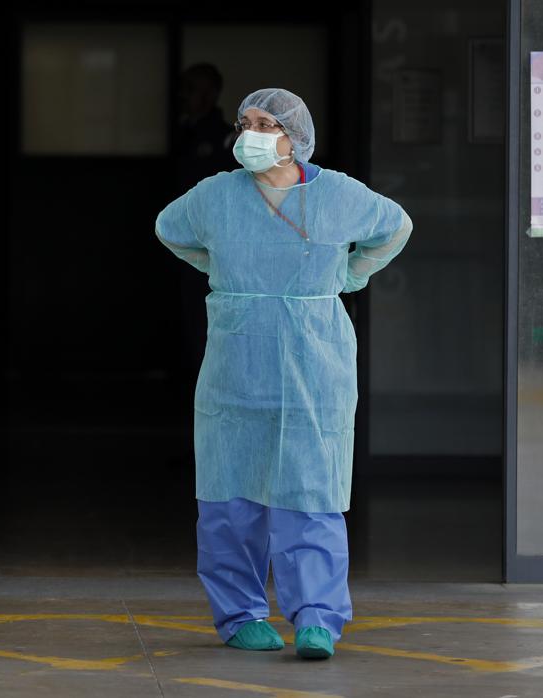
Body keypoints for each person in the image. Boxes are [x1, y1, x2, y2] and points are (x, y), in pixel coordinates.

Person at [155, 88, 411, 660]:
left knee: (310, 491)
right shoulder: (216, 196)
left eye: (266, 123)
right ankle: (240, 614)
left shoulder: (340, 194)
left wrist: (350, 274)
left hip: (314, 362)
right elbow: (169, 229)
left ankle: (317, 617)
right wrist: (224, 269)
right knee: (230, 496)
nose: (251, 133)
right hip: (236, 362)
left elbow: (394, 227)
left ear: (294, 137)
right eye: (246, 122)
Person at [173, 64, 238, 383]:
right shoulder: (182, 133)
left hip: (211, 245)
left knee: (206, 318)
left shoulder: (225, 139)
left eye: (192, 89)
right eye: (183, 89)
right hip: (178, 238)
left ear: (211, 94)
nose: (185, 97)